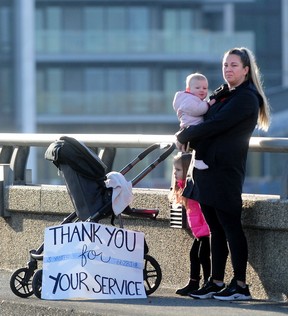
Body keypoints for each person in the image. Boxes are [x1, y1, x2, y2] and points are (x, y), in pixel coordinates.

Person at [175, 47, 270, 301]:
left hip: (225, 172)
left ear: (246, 70)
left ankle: (240, 284)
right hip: (206, 169)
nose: (228, 69)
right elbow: (201, 115)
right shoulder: (224, 93)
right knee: (215, 228)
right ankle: (216, 281)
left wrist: (186, 135)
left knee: (230, 227)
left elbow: (217, 124)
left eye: (234, 65)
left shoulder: (246, 98)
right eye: (225, 65)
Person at [169, 152, 211, 296]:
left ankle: (207, 282)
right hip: (199, 231)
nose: (175, 173)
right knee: (194, 254)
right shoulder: (184, 187)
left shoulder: (194, 188)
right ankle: (194, 282)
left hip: (206, 230)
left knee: (202, 255)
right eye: (174, 170)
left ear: (187, 171)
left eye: (178, 170)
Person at [172, 73, 215, 169]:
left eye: (205, 88)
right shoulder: (189, 100)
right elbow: (197, 110)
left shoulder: (191, 99)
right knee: (202, 142)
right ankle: (198, 160)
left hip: (190, 127)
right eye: (197, 87)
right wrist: (208, 104)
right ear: (188, 89)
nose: (202, 90)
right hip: (192, 127)